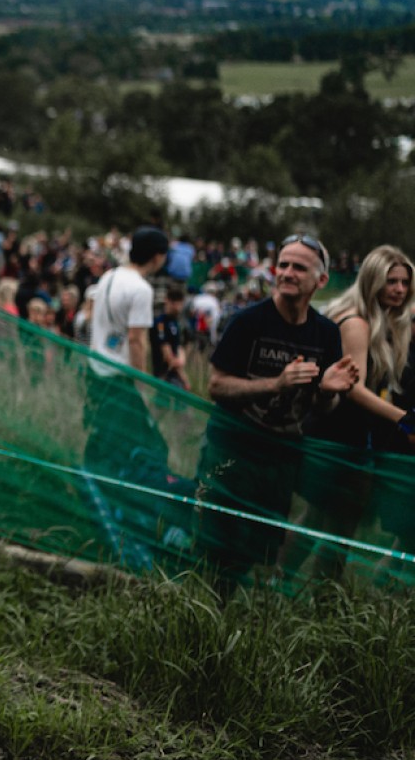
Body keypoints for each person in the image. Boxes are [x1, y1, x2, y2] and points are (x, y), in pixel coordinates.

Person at [196, 233, 358, 591]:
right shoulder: (248, 321)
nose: (286, 273)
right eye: (282, 264)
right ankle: (202, 627)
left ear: (321, 280)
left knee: (262, 555)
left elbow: (323, 406)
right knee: (218, 553)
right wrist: (276, 384)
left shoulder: (326, 334)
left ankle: (242, 631)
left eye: (298, 267)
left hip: (282, 459)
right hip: (233, 454)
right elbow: (217, 386)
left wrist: (328, 391)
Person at [283, 244, 413, 580]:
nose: (399, 289)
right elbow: (352, 388)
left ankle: (278, 582)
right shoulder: (356, 322)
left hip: (344, 436)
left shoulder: (384, 319)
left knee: (320, 519)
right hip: (337, 436)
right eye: (391, 281)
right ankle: (319, 594)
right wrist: (402, 418)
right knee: (338, 524)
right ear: (372, 281)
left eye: (404, 282)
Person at [82, 226, 171, 569]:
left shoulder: (108, 277)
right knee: (144, 449)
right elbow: (137, 340)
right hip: (121, 377)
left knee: (107, 442)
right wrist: (143, 381)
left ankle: (111, 509)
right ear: (158, 256)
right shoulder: (141, 289)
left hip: (97, 371)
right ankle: (124, 521)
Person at [152, 282, 190, 389]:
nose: (177, 307)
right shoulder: (160, 323)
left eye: (179, 303)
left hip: (175, 375)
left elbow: (179, 346)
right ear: (167, 301)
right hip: (164, 375)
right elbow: (167, 354)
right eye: (174, 302)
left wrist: (181, 360)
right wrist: (184, 378)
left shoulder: (176, 323)